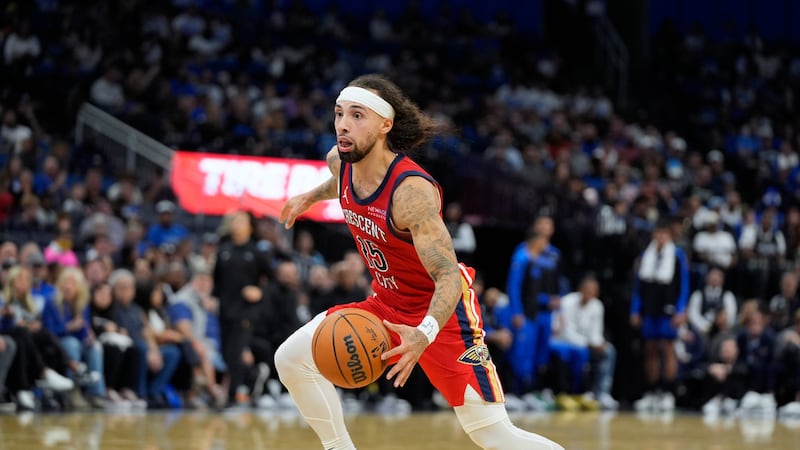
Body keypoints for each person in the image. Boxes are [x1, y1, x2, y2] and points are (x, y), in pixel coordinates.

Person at [276, 74, 563, 450]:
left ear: (385, 125)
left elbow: (448, 275)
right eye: (339, 113)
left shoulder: (411, 192)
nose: (343, 124)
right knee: (290, 359)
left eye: (357, 115)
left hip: (442, 314)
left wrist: (424, 333)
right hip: (386, 304)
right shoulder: (340, 160)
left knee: (491, 433)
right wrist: (310, 197)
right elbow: (339, 181)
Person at [630, 219, 690, 413]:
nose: (660, 238)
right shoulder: (645, 255)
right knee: (650, 349)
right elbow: (638, 288)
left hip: (669, 307)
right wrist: (635, 310)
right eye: (657, 234)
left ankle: (668, 392)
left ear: (669, 236)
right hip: (649, 307)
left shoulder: (678, 255)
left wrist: (681, 310)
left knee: (668, 348)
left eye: (664, 234)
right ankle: (652, 392)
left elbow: (684, 285)